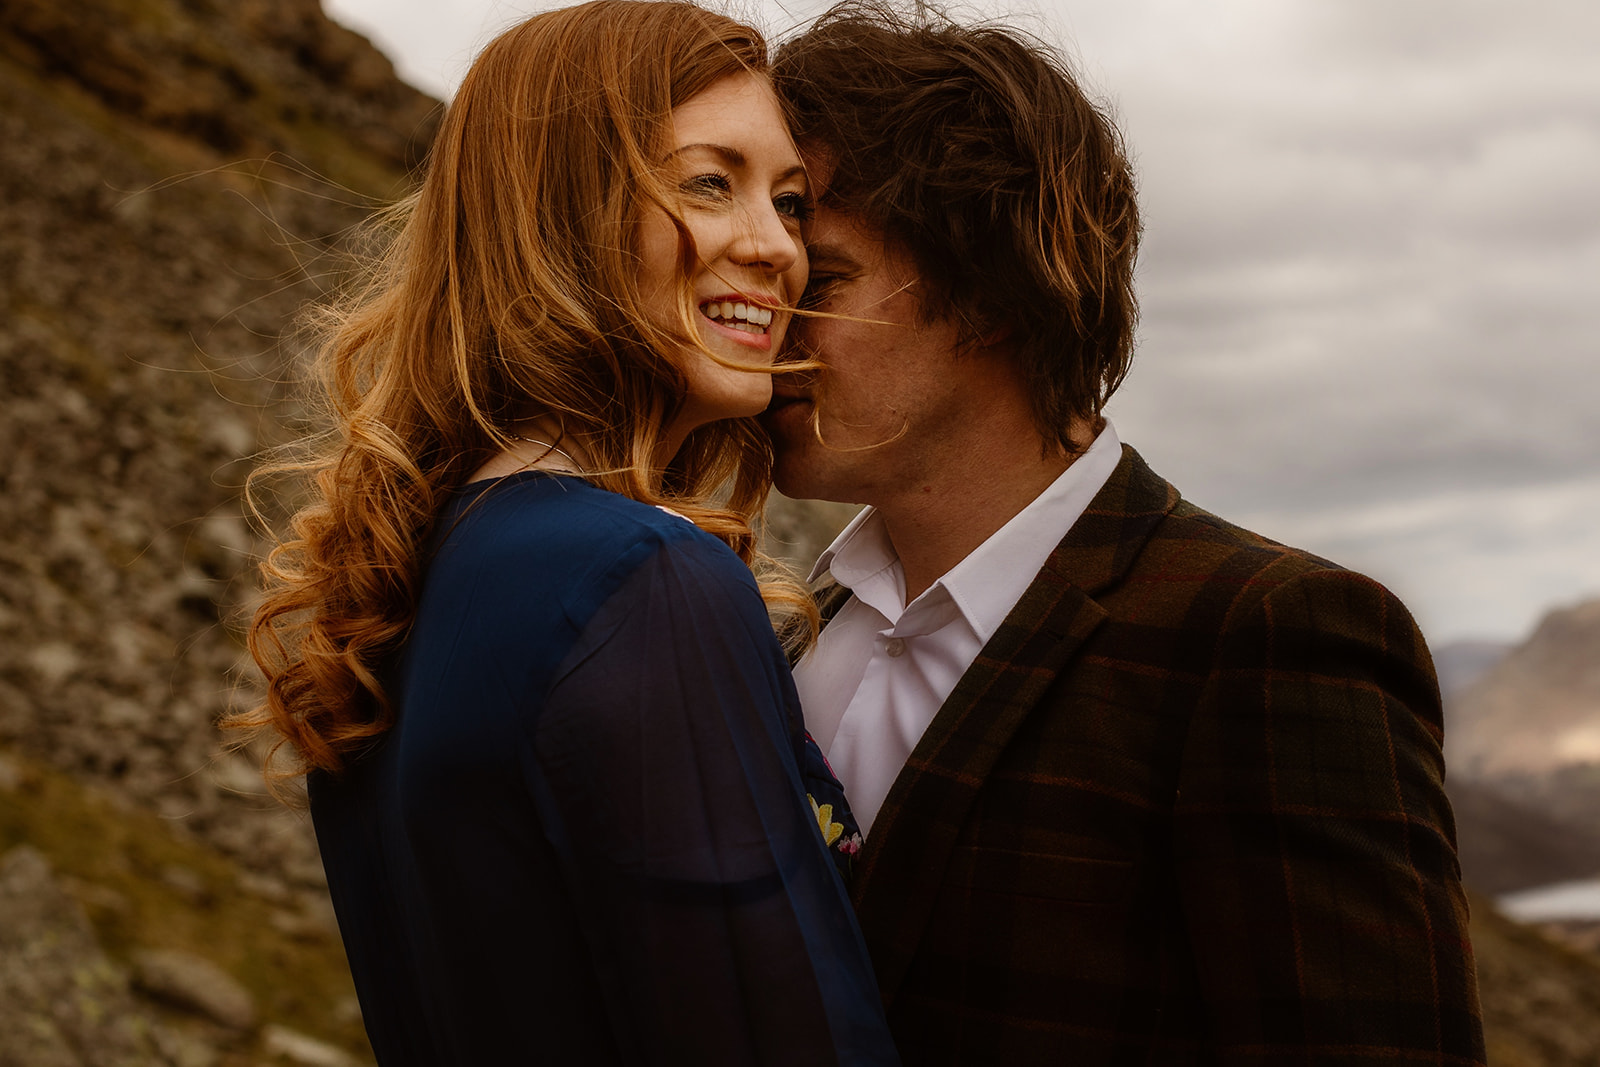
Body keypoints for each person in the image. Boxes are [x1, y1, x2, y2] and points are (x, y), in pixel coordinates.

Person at [763, 4, 1487, 1064]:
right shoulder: (793, 628)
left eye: (818, 283)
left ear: (990, 287)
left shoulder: (1269, 637)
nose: (767, 330)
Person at [237, 3, 897, 1063]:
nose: (778, 249)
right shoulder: (640, 576)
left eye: (788, 201)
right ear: (560, 214)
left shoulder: (411, 583)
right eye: (706, 183)